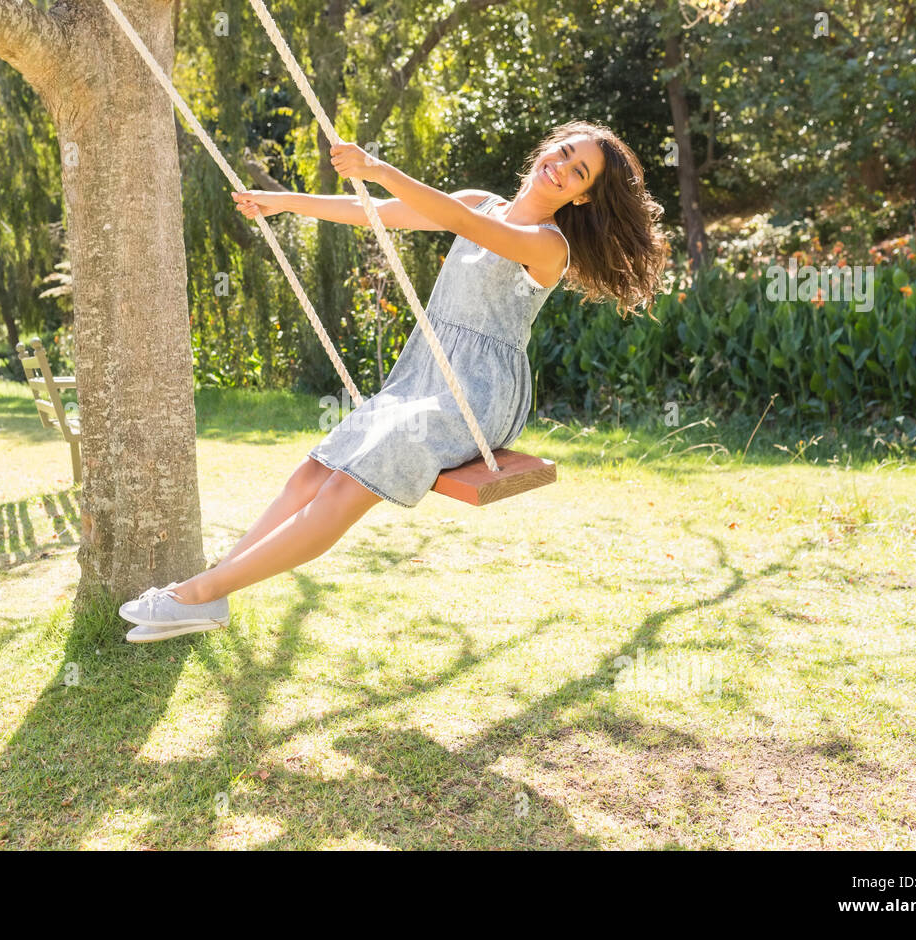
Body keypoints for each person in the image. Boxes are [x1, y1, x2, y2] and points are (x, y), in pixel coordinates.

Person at [122, 120, 667, 642]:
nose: (561, 168)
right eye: (564, 153)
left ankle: (199, 594)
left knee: (346, 487)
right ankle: (211, 588)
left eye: (578, 173)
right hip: (423, 378)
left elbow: (464, 224)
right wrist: (285, 201)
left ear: (583, 198)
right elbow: (379, 213)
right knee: (317, 469)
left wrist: (378, 167)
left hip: (476, 397)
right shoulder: (481, 202)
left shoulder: (548, 245)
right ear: (549, 148)